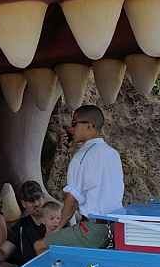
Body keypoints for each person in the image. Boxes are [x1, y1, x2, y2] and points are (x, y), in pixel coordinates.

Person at [44, 104, 124, 250]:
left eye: (74, 123)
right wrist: (71, 153)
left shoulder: (81, 157)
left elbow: (72, 200)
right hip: (115, 228)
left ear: (89, 126)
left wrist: (58, 228)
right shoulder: (112, 153)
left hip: (93, 230)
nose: (71, 129)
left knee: (40, 246)